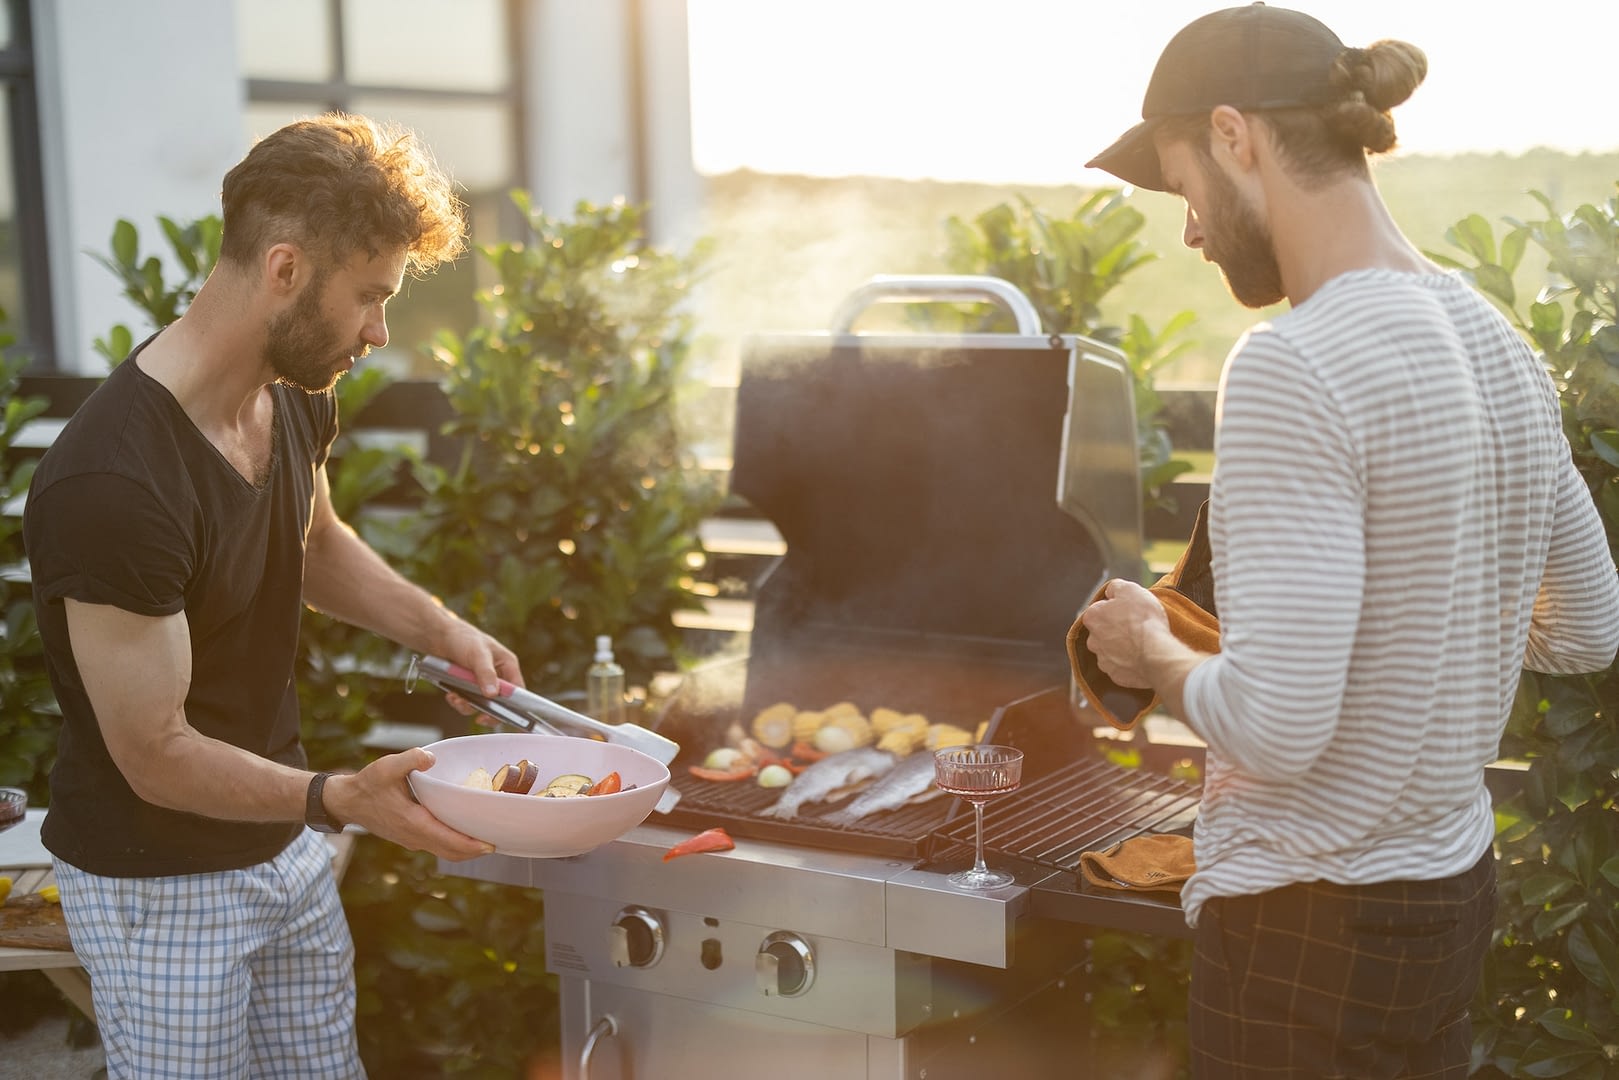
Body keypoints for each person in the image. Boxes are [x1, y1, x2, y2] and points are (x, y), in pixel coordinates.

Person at [1077, 5, 1619, 1077]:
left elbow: (1275, 731)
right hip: (1446, 902)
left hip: (1301, 929)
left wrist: (1152, 658)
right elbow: (1586, 631)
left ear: (1235, 137)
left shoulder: (1296, 363)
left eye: (1183, 186)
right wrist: (1423, 630)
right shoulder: (1498, 349)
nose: (1187, 230)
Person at [24, 113, 525, 1079]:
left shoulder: (295, 389)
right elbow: (154, 753)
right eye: (371, 298)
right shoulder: (113, 485)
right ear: (285, 270)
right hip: (158, 888)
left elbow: (315, 539)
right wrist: (338, 799)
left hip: (280, 848)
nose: (381, 332)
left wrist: (446, 631)